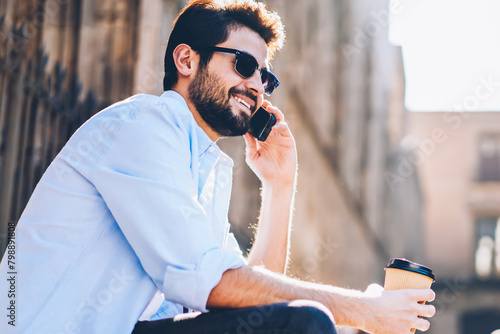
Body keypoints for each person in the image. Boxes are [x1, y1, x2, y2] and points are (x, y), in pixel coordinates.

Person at [0, 0, 436, 333]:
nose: (256, 86)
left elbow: (250, 301)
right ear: (187, 61)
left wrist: (281, 186)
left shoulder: (207, 168)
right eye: (243, 64)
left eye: (266, 77)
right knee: (306, 324)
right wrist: (366, 309)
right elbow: (212, 283)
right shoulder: (141, 125)